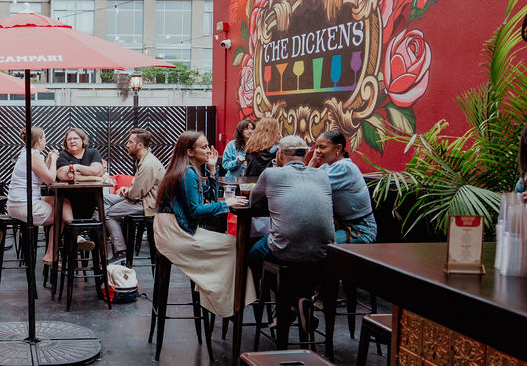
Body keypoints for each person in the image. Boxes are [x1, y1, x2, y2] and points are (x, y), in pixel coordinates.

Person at [153, 131, 252, 317]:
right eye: (204, 147)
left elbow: (210, 196)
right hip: (176, 234)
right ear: (190, 152)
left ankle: (217, 297)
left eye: (208, 146)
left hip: (172, 230)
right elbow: (196, 211)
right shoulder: (188, 173)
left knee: (232, 245)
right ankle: (223, 301)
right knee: (234, 246)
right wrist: (227, 204)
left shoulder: (188, 170)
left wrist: (213, 169)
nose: (209, 151)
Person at [246, 135, 335, 324]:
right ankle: (299, 301)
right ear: (305, 155)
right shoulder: (322, 175)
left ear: (279, 155)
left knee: (253, 254)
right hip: (323, 253)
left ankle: (283, 302)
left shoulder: (271, 174)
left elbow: (253, 200)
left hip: (285, 251)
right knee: (299, 260)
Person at [103, 129, 166, 263]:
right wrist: (127, 189)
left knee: (106, 214)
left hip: (148, 204)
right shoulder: (144, 160)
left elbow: (136, 194)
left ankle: (120, 251)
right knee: (104, 199)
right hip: (142, 198)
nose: (127, 145)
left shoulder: (148, 164)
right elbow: (138, 188)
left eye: (130, 142)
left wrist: (128, 192)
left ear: (140, 145)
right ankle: (95, 234)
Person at [311, 129, 377, 243]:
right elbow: (303, 185)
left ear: (338, 148)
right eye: (316, 147)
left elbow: (309, 187)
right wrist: (312, 161)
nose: (317, 151)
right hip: (340, 226)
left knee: (316, 246)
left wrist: (311, 164)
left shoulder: (344, 167)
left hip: (360, 230)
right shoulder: (326, 167)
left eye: (322, 147)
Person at [6, 126, 60, 265]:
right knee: (63, 215)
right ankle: (51, 253)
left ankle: (69, 241)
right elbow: (50, 180)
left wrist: (48, 159)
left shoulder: (27, 152)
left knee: (62, 202)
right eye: (45, 138)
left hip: (16, 203)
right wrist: (53, 159)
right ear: (40, 140)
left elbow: (41, 177)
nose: (46, 141)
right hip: (24, 206)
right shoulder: (33, 155)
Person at [56, 127, 105, 242]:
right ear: (66, 142)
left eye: (75, 138)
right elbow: (63, 175)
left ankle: (83, 240)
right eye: (69, 139)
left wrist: (75, 167)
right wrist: (93, 178)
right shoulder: (62, 155)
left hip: (92, 202)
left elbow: (97, 170)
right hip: (69, 202)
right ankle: (73, 239)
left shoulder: (93, 152)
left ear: (83, 140)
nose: (72, 141)